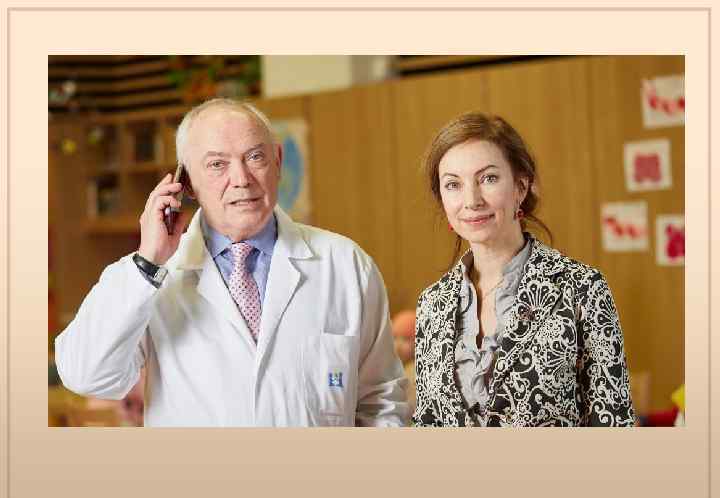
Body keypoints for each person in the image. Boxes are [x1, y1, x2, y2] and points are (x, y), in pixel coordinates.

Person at [55, 98, 408, 427]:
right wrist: (147, 263)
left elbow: (382, 403)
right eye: (217, 164)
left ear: (278, 161)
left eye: (255, 157)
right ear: (186, 182)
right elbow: (87, 375)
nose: (241, 179)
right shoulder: (151, 276)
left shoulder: (345, 264)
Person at [413, 112, 635, 427]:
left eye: (488, 178)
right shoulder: (431, 305)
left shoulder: (583, 288)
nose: (471, 200)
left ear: (521, 185)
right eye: (453, 184)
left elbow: (614, 423)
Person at [391, 310, 417, 421]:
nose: (398, 345)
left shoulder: (414, 371)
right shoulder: (393, 365)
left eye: (406, 339)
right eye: (394, 337)